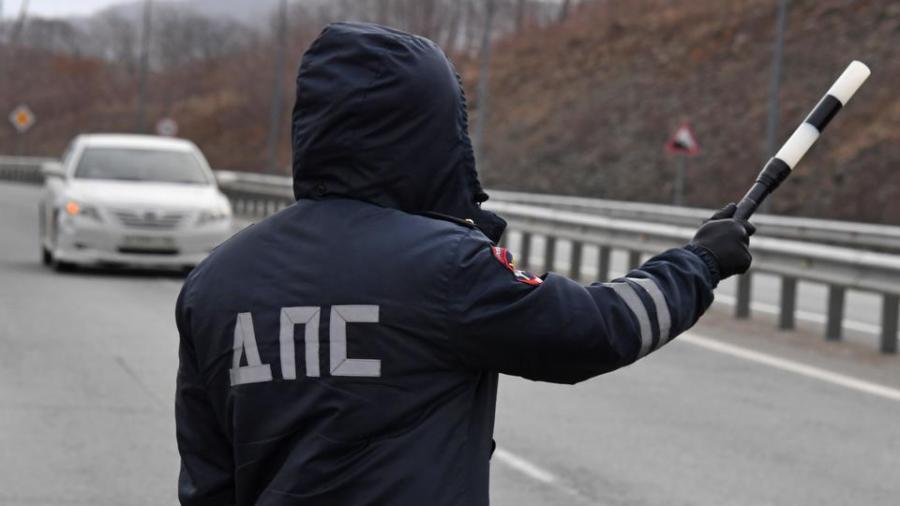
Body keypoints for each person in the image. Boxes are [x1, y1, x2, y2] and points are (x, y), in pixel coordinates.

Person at [174, 22, 754, 505]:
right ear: (431, 135)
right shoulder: (443, 266)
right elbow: (597, 329)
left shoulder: (216, 282)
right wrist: (699, 263)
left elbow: (208, 480)